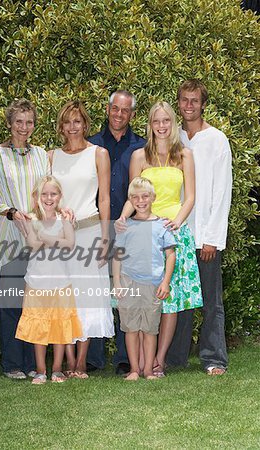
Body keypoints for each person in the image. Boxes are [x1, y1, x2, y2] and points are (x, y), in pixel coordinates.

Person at [117, 101, 203, 376]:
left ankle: (160, 360)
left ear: (173, 123)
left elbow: (190, 196)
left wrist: (178, 220)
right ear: (150, 125)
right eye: (156, 121)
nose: (162, 126)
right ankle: (140, 363)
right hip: (144, 234)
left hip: (173, 232)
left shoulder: (185, 155)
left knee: (170, 299)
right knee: (146, 295)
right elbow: (134, 195)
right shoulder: (139, 156)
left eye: (166, 120)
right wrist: (122, 218)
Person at [0, 98, 50, 379]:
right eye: (19, 121)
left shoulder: (41, 155)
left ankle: (33, 363)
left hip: (35, 238)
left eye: (29, 122)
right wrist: (11, 213)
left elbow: (48, 190)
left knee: (35, 303)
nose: (24, 127)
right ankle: (12, 364)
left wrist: (38, 217)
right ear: (9, 123)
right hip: (7, 237)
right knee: (10, 303)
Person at [166, 79, 232, 375]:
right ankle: (174, 358)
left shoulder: (217, 139)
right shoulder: (172, 137)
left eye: (194, 101)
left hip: (204, 235)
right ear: (178, 103)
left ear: (203, 104)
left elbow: (222, 193)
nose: (189, 106)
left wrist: (212, 239)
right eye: (184, 100)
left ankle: (214, 358)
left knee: (210, 302)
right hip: (176, 232)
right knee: (179, 301)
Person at [49, 100, 114, 379]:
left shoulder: (99, 153)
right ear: (61, 126)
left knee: (88, 300)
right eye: (67, 122)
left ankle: (80, 363)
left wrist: (105, 238)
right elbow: (45, 196)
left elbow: (105, 198)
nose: (72, 127)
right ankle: (67, 358)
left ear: (85, 124)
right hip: (60, 237)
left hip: (89, 233)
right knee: (64, 299)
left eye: (77, 121)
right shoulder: (50, 156)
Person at [87, 90, 146, 375]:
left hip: (130, 228)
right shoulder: (92, 146)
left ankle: (125, 357)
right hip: (97, 228)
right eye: (115, 109)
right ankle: (93, 358)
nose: (119, 114)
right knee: (96, 292)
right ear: (108, 110)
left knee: (127, 293)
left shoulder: (142, 147)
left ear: (132, 114)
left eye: (125, 110)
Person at [15, 176, 82, 384]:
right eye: (44, 194)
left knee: (60, 326)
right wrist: (54, 241)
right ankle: (41, 370)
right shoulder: (32, 219)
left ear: (60, 196)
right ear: (37, 197)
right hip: (36, 282)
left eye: (53, 193)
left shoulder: (64, 220)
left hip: (61, 283)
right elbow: (33, 245)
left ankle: (57, 370)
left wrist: (46, 238)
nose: (49, 198)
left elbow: (70, 244)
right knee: (38, 328)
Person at [113, 177, 176, 381]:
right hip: (128, 282)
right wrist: (117, 284)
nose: (140, 201)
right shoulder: (125, 226)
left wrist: (165, 282)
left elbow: (170, 255)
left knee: (150, 330)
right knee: (131, 329)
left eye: (145, 196)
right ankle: (133, 369)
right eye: (135, 197)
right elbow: (117, 257)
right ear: (130, 200)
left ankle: (148, 370)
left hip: (153, 284)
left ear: (153, 198)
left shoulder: (162, 225)